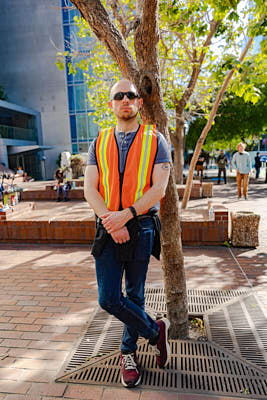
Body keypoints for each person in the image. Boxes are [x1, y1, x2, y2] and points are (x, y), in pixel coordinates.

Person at [84, 79, 171, 388]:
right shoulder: (99, 140)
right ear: (111, 104)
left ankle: (127, 352)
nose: (124, 100)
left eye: (130, 95)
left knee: (134, 293)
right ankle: (154, 330)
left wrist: (127, 216)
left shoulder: (155, 139)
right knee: (109, 298)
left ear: (139, 103)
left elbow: (158, 189)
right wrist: (112, 221)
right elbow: (89, 188)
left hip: (142, 225)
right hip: (108, 226)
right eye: (118, 96)